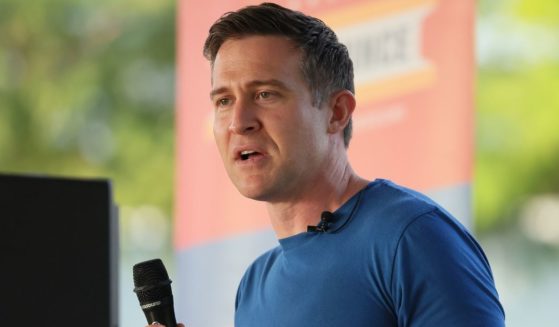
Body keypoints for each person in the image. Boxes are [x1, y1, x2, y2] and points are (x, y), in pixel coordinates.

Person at [153, 2, 505, 326]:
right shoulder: (253, 285)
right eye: (224, 100)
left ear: (336, 113)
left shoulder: (411, 237)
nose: (239, 121)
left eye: (265, 94)